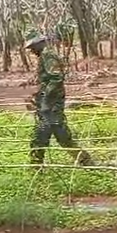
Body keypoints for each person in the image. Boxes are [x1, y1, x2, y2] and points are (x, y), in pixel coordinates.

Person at [24, 33, 93, 166]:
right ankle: (86, 161)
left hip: (52, 105)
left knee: (45, 135)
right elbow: (48, 78)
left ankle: (36, 166)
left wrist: (45, 100)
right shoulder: (45, 56)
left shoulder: (48, 56)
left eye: (33, 47)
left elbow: (56, 79)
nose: (32, 51)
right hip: (50, 104)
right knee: (55, 135)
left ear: (41, 44)